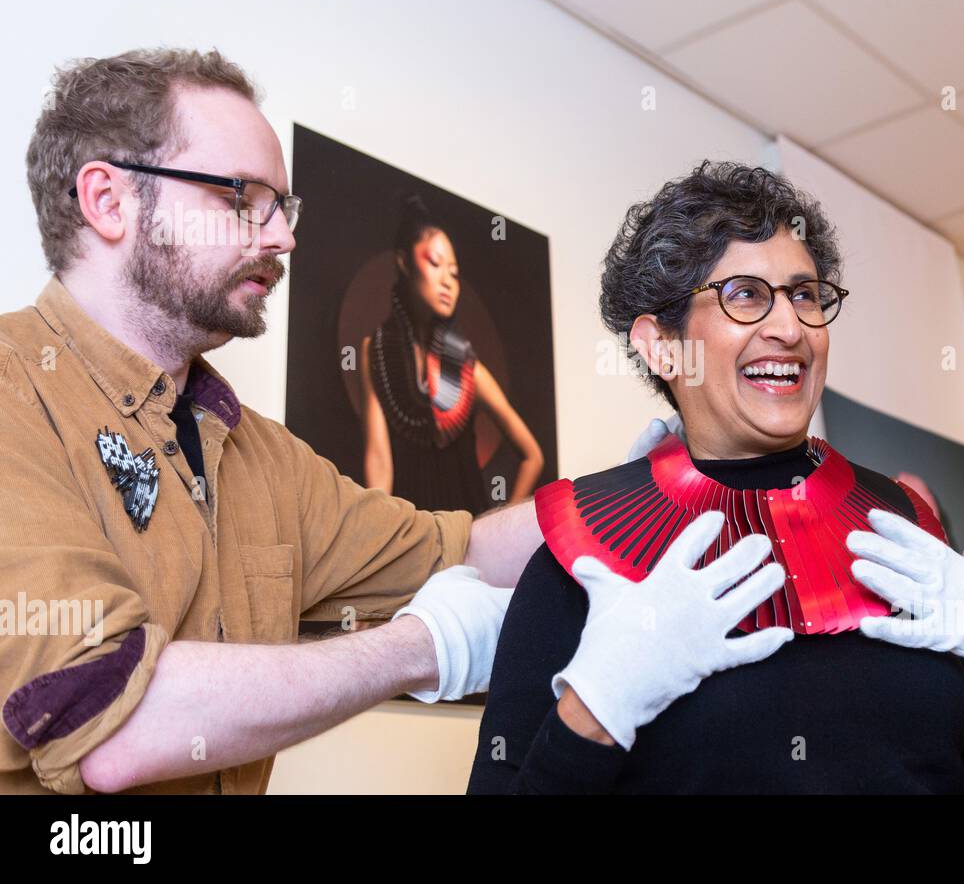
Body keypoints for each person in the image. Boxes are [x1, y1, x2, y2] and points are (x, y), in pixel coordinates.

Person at [0, 48, 558, 795]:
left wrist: (655, 490)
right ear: (109, 201)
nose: (281, 239)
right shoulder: (15, 394)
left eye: (281, 208)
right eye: (241, 198)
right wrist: (425, 648)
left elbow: (451, 551)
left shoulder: (260, 455)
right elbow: (113, 723)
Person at [468, 161, 964, 793]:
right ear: (661, 345)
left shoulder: (904, 530)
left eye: (805, 294)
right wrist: (595, 710)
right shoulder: (583, 556)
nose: (790, 327)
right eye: (745, 294)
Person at [360, 194, 543, 514]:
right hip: (411, 531)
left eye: (455, 273)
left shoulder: (467, 366)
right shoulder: (373, 350)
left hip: (468, 535)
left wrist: (500, 526)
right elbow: (379, 459)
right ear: (404, 262)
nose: (448, 281)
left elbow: (532, 455)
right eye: (434, 262)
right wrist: (380, 533)